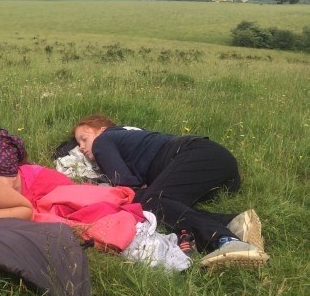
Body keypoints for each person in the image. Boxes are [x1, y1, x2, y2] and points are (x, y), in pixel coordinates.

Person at [72, 114, 268, 269]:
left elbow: (123, 182)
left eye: (84, 139)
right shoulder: (132, 137)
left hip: (194, 154)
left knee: (149, 202)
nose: (81, 147)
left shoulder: (104, 140)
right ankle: (235, 222)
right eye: (78, 143)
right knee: (155, 200)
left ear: (102, 130)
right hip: (219, 167)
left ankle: (225, 239)